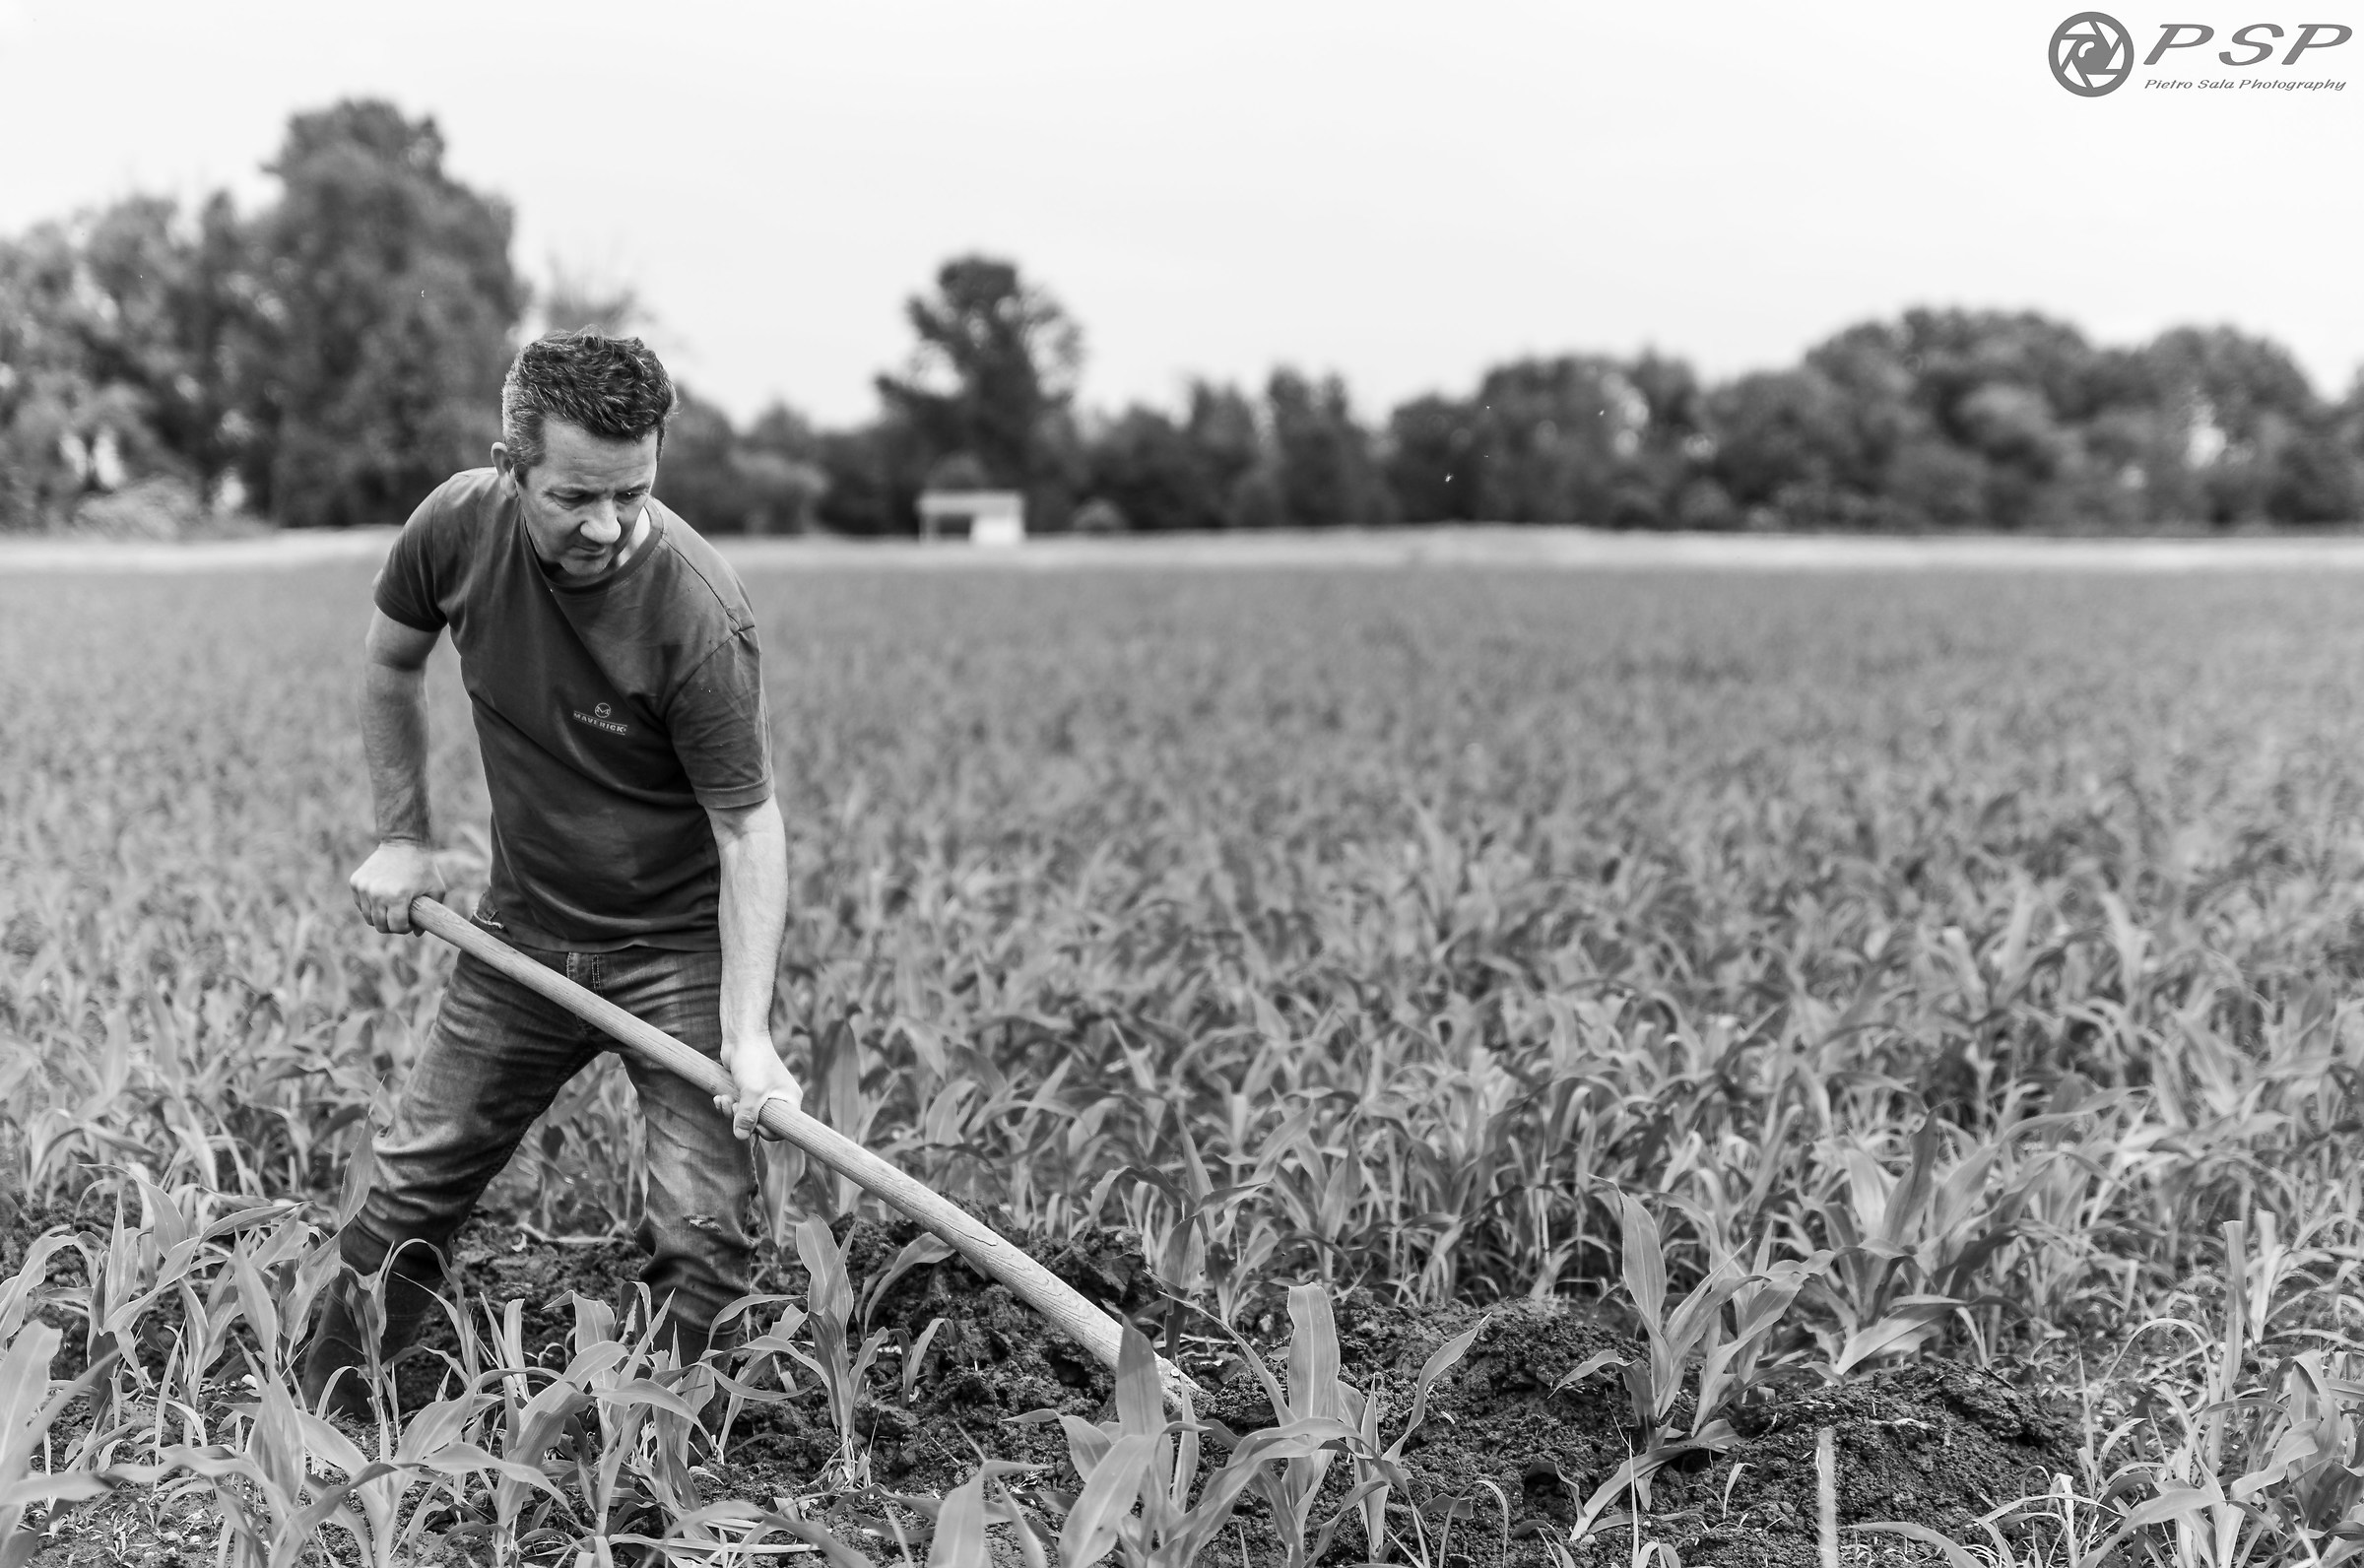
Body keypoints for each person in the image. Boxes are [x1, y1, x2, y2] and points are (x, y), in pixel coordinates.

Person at [300, 330, 802, 1415]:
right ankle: (319, 1426)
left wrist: (746, 1031)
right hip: (521, 936)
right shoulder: (456, 527)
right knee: (410, 1181)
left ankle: (662, 1460)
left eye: (635, 493)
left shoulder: (696, 613)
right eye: (577, 495)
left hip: (673, 950)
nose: (610, 525)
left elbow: (748, 830)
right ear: (509, 463)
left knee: (702, 1229)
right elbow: (391, 660)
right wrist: (404, 834)